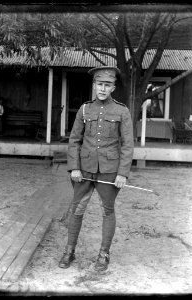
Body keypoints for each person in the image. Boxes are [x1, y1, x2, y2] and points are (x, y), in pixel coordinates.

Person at [58, 66, 134, 271]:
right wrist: (74, 167)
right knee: (77, 209)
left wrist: (122, 174)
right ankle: (69, 251)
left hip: (109, 170)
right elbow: (74, 140)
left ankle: (103, 255)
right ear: (94, 86)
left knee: (107, 211)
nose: (102, 88)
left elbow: (128, 144)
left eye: (107, 85)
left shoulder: (122, 111)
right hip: (84, 169)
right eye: (99, 84)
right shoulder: (84, 109)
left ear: (113, 88)